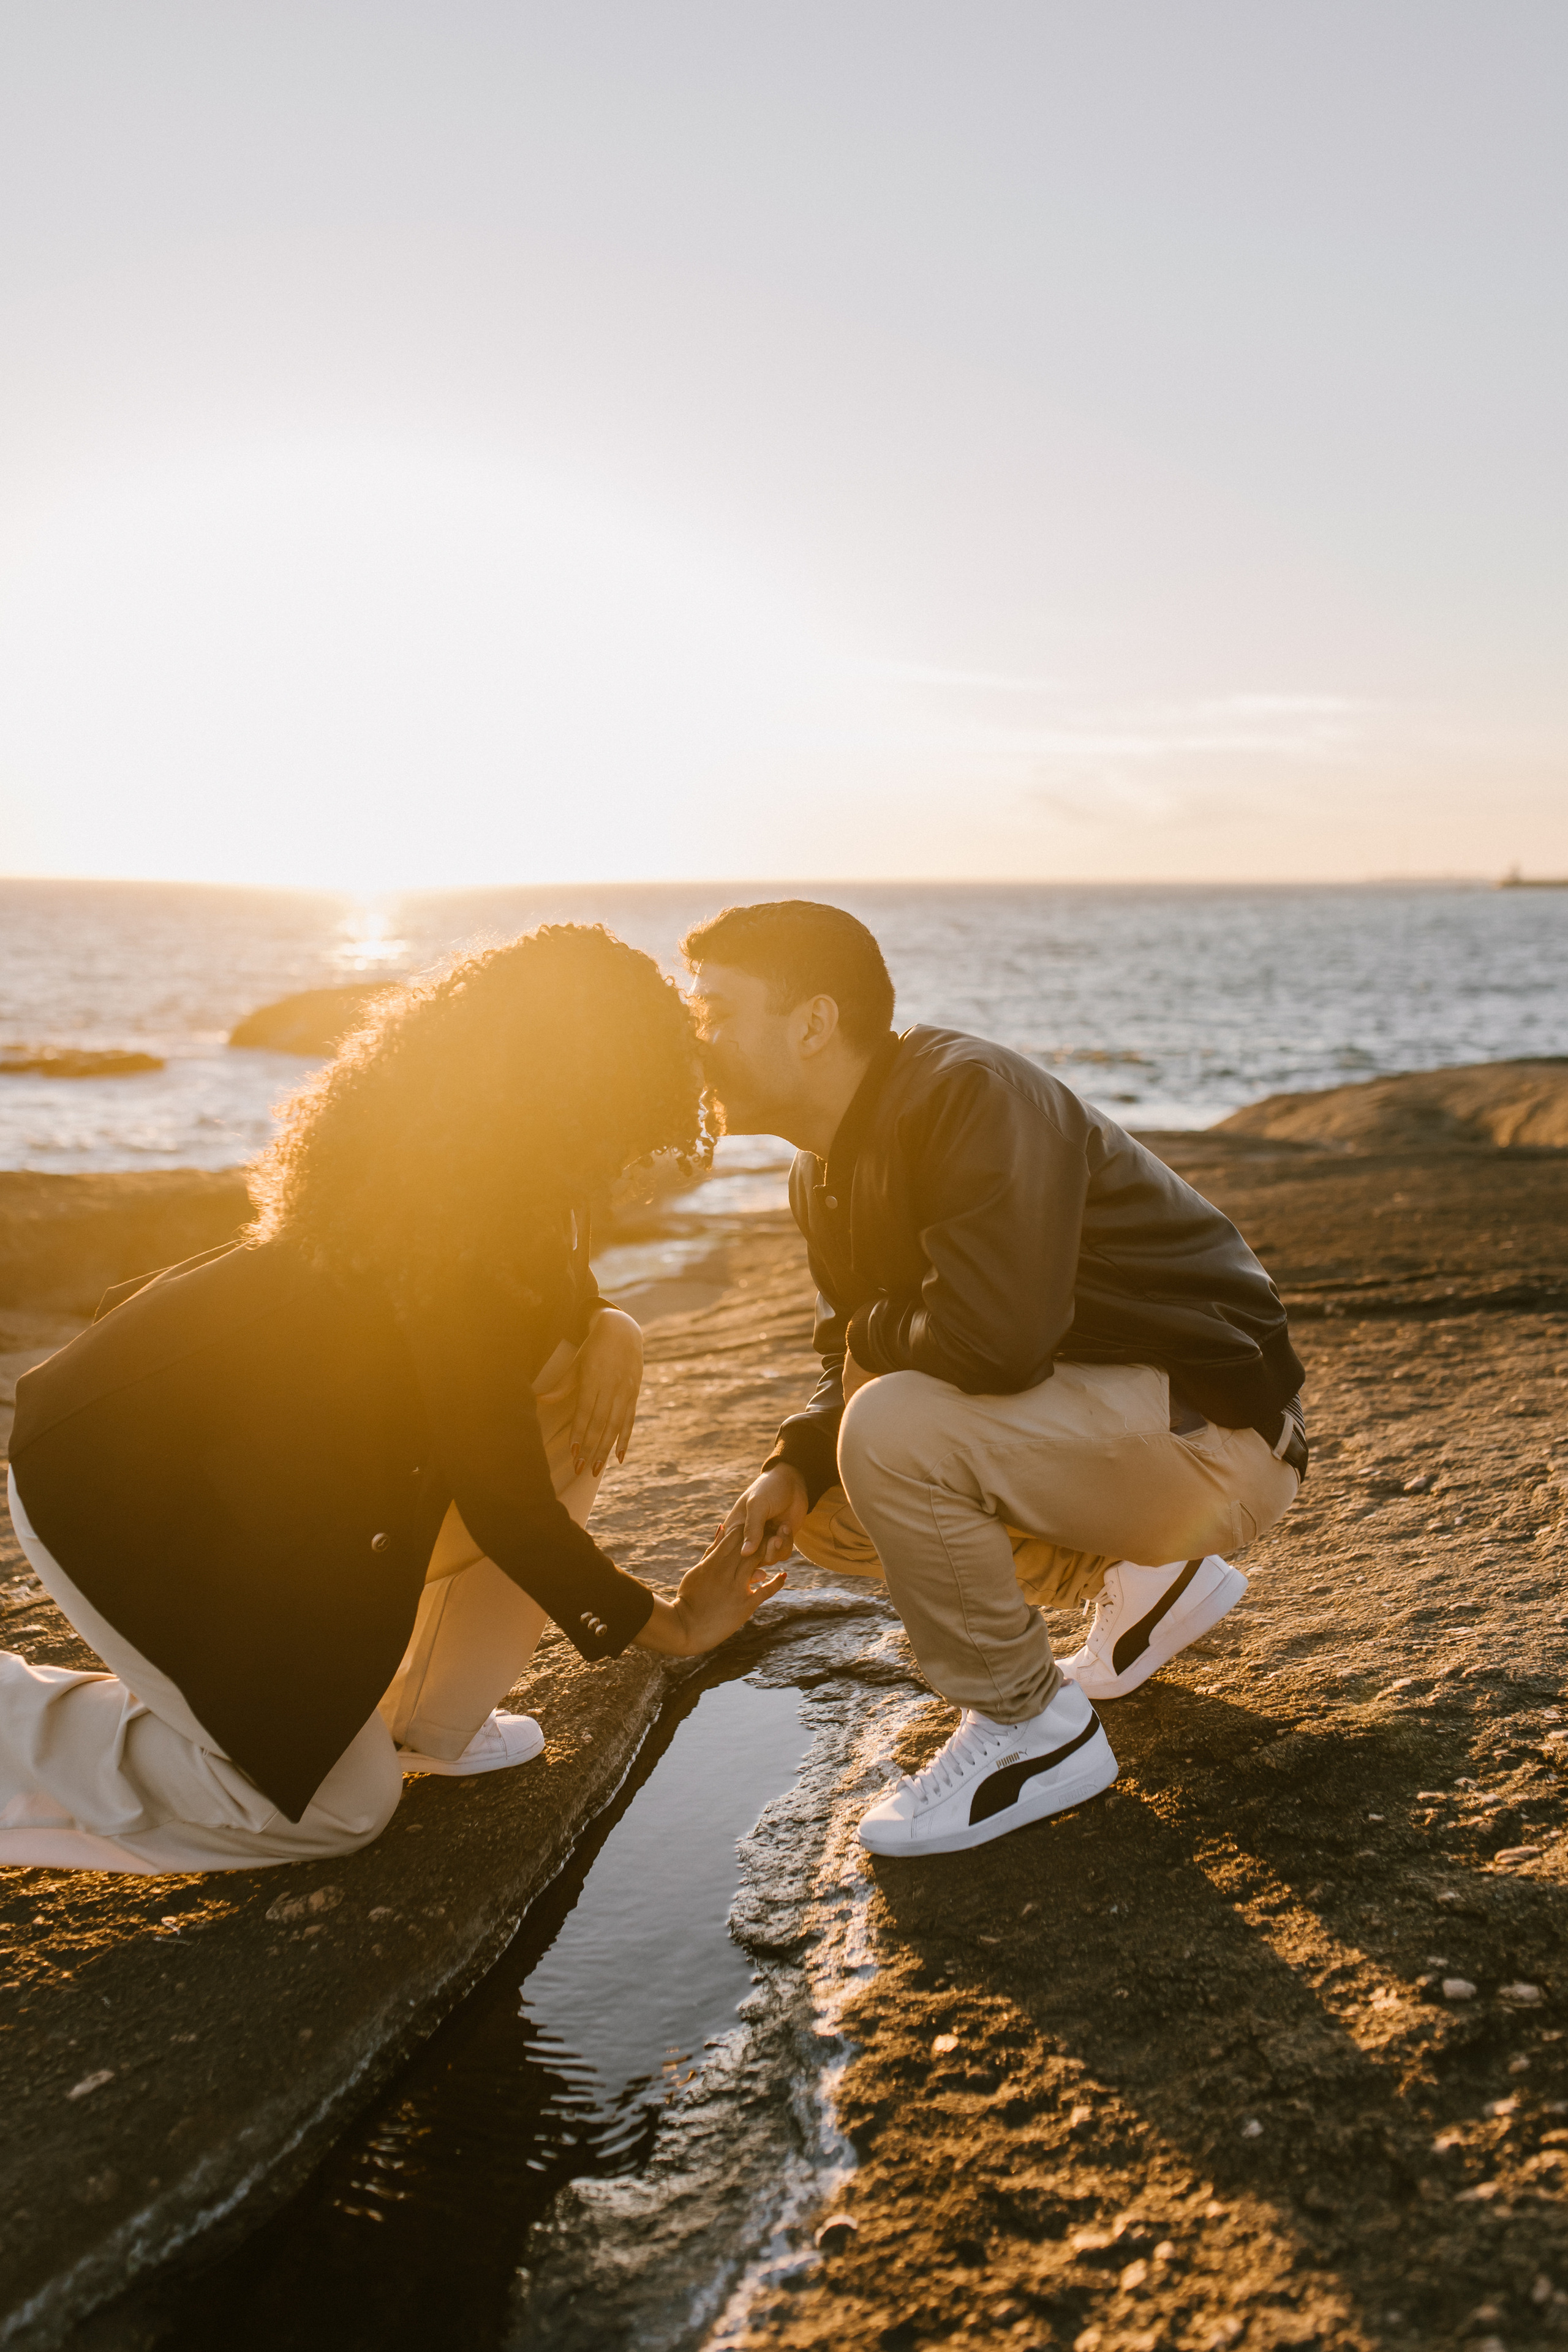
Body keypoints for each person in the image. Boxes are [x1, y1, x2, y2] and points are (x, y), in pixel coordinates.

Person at [2, 924, 783, 1874]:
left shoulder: (497, 1172)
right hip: (125, 1482)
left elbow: (542, 1294)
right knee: (333, 1809)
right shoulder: (466, 1214)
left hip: (253, 1471)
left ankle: (427, 1721)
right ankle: (19, 1724)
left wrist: (612, 1321)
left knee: (575, 1371)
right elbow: (505, 1503)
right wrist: (675, 1626)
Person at [687, 900, 1307, 1858]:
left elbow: (993, 1345)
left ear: (811, 1023)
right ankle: (1151, 1574)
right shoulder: (822, 1170)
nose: (701, 1044)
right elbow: (844, 1357)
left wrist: (870, 1337)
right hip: (1116, 1428)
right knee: (824, 1504)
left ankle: (1034, 1732)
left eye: (717, 1015)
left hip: (1217, 1433)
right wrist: (793, 1460)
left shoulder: (966, 1092)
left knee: (889, 1429)